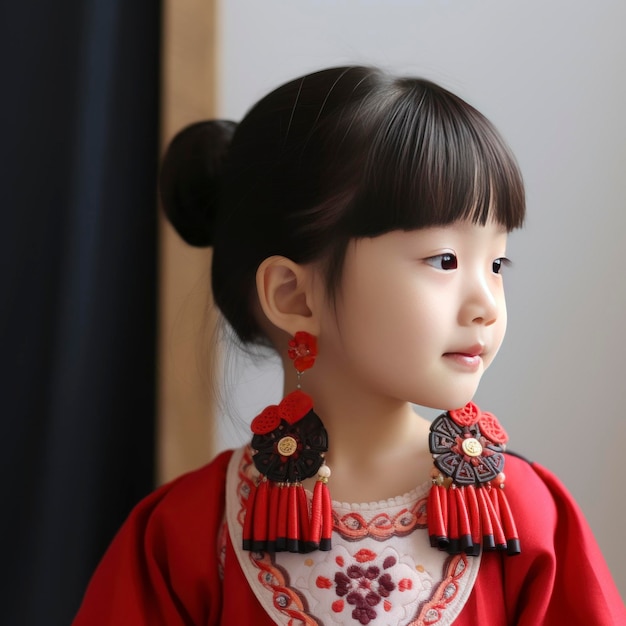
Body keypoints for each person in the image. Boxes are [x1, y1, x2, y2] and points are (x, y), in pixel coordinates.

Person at [72, 66, 625, 625]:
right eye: (444, 260)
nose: (486, 303)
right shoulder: (187, 534)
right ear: (293, 296)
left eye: (497, 263)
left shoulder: (525, 515)